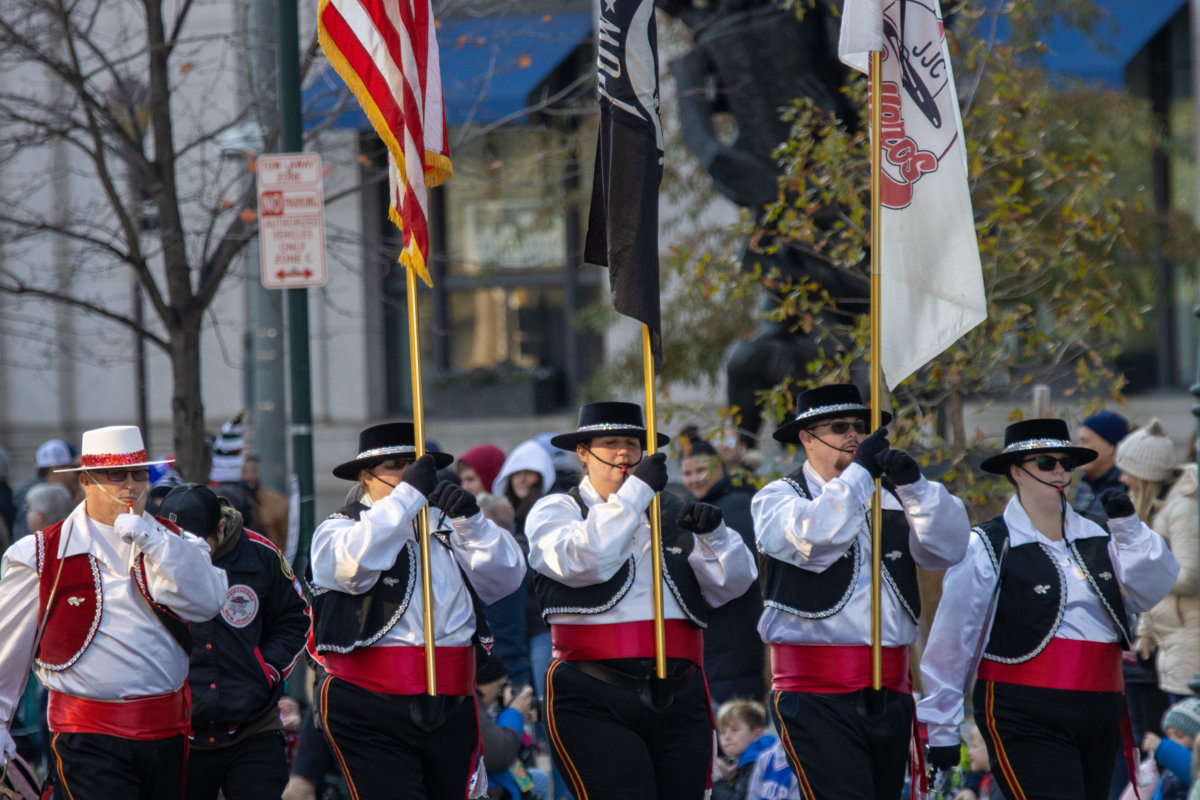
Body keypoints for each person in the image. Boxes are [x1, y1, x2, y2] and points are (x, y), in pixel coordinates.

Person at [919, 418, 1180, 800]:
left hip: (1101, 707)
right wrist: (941, 729)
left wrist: (1130, 529)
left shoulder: (1101, 533)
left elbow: (1149, 590)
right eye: (1046, 462)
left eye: (1065, 462)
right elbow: (952, 642)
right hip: (1023, 709)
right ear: (1016, 471)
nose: (1059, 471)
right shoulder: (987, 544)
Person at [527, 401, 758, 799]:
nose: (624, 454)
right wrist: (634, 495)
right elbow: (587, 560)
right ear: (583, 452)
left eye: (633, 444)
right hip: (595, 692)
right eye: (611, 442)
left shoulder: (669, 509)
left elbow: (732, 586)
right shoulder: (558, 510)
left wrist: (714, 537)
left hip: (680, 690)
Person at [753, 383, 970, 799]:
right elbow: (815, 541)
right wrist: (857, 477)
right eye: (839, 427)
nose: (854, 435)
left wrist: (917, 488)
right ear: (806, 438)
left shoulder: (892, 497)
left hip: (890, 689)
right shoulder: (777, 498)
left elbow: (949, 547)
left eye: (861, 426)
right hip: (815, 693)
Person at [0, 425, 228, 799]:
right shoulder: (38, 554)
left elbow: (206, 602)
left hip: (167, 731)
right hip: (86, 735)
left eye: (140, 473)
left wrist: (155, 542)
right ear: (87, 481)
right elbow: (8, 646)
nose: (131, 486)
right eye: (116, 474)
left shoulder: (177, 543)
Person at [308, 421, 526, 799]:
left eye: (414, 464)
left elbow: (506, 577)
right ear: (365, 475)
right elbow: (350, 569)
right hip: (370, 704)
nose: (408, 474)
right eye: (395, 465)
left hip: (453, 700)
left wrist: (473, 522)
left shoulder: (449, 527)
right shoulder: (340, 528)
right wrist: (406, 496)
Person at [157, 482, 309, 800]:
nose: (191, 557)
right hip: (180, 733)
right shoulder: (149, 557)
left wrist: (266, 669)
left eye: (199, 546)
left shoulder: (262, 554)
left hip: (253, 729)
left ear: (222, 527)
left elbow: (296, 618)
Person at [1114, 420, 1200, 703]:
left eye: (1127, 471)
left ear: (1145, 474)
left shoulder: (1183, 508)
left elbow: (1189, 577)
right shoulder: (1158, 508)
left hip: (1190, 645)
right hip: (1171, 643)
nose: (1122, 479)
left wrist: (1141, 574)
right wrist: (1145, 631)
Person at [677, 432, 764, 704]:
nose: (695, 478)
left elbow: (739, 572)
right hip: (721, 634)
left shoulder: (735, 505)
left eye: (701, 469)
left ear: (720, 466)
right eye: (688, 473)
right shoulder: (704, 508)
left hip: (736, 626)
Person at [475, 652, 549, 800]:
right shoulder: (472, 706)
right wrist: (513, 714)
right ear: (481, 684)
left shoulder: (479, 706)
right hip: (486, 789)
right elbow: (500, 755)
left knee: (539, 779)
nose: (499, 693)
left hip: (492, 781)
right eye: (500, 686)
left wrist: (514, 719)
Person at [10, 438, 79, 541]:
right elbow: (24, 534)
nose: (74, 473)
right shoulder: (37, 494)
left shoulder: (64, 490)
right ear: (56, 468)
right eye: (71, 467)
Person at [712, 698, 776, 800]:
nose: (726, 737)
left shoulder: (757, 763)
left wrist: (717, 780)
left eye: (735, 730)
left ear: (756, 733)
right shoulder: (731, 760)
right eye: (722, 732)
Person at [1074, 409, 1130, 518]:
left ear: (1111, 447)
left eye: (1085, 441)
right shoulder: (1085, 484)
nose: (1079, 447)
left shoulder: (1126, 489)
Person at [241, 454, 291, 553]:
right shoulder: (226, 501)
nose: (250, 476)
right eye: (244, 471)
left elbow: (286, 541)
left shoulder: (278, 503)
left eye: (254, 471)